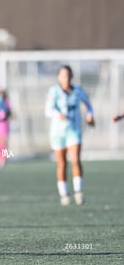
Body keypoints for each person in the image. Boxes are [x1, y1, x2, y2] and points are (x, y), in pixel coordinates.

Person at [45, 65, 95, 206]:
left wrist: (90, 115)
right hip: (57, 132)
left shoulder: (78, 91)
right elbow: (48, 110)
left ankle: (78, 191)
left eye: (68, 75)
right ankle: (64, 194)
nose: (66, 78)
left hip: (73, 130)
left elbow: (89, 106)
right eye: (63, 75)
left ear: (72, 76)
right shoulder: (54, 91)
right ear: (59, 77)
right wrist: (57, 114)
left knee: (76, 159)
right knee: (62, 163)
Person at [0, 89, 11, 168]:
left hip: (3, 125)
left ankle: (4, 158)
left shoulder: (6, 102)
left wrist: (1, 119)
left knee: (3, 143)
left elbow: (8, 113)